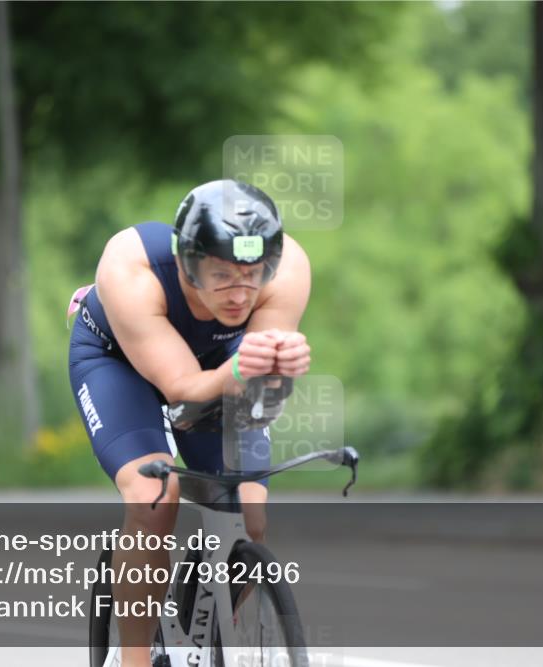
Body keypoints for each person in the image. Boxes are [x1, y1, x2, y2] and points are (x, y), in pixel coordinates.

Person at [67, 179, 311, 667]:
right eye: (221, 275)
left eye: (252, 274)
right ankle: (135, 659)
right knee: (154, 500)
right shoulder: (131, 268)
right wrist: (244, 369)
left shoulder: (287, 272)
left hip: (217, 358)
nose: (240, 293)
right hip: (119, 361)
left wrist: (276, 372)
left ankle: (209, 634)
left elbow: (255, 390)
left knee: (249, 514)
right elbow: (183, 388)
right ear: (186, 264)